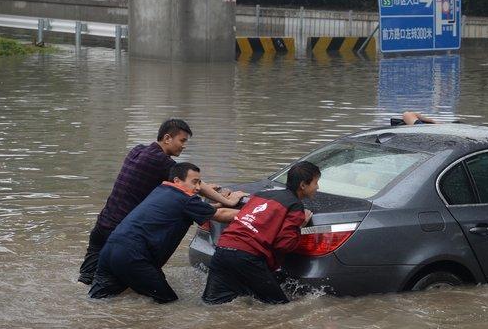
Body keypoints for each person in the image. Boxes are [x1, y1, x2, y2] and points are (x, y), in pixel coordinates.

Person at [78, 118, 247, 285]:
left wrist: (207, 193)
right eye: (182, 140)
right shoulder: (162, 163)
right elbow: (195, 186)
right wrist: (228, 201)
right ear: (167, 138)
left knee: (86, 278)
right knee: (127, 283)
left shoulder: (137, 151)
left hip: (103, 224)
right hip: (121, 233)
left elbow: (177, 190)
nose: (184, 145)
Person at [89, 162, 239, 303]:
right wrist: (253, 210)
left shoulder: (160, 190)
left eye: (200, 182)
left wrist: (219, 203)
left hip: (110, 249)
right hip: (134, 257)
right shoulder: (186, 200)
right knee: (168, 302)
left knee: (98, 301)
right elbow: (221, 215)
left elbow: (200, 208)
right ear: (177, 181)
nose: (199, 187)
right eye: (194, 182)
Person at [202, 161, 320, 305]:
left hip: (222, 251)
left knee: (212, 304)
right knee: (279, 307)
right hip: (248, 258)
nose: (317, 187)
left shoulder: (262, 194)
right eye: (315, 182)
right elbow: (284, 245)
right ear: (303, 185)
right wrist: (300, 226)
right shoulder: (295, 206)